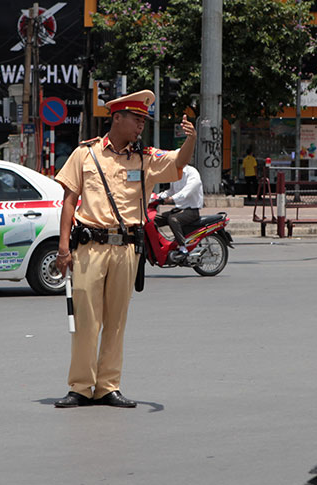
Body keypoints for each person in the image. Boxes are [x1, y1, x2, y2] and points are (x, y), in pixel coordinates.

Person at [53, 89, 197, 408]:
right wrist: (64, 248)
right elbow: (68, 201)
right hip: (90, 246)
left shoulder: (145, 158)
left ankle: (107, 386)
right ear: (117, 118)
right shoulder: (86, 154)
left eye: (143, 121)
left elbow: (177, 163)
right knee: (86, 319)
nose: (140, 126)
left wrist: (190, 140)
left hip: (126, 248)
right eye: (136, 119)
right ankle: (80, 385)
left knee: (117, 320)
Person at [154, 164, 203, 261]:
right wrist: (155, 197)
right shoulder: (175, 173)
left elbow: (185, 192)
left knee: (173, 219)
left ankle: (183, 247)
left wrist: (171, 199)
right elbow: (170, 191)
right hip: (179, 209)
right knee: (154, 219)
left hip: (191, 210)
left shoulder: (192, 173)